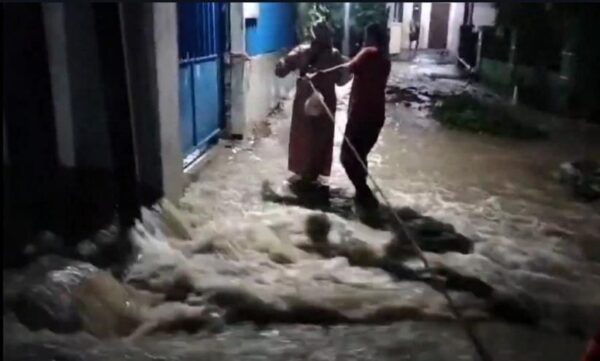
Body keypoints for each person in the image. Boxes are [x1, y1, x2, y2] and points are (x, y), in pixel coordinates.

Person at [310, 23, 391, 211]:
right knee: (359, 157)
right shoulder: (384, 58)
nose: (364, 40)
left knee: (346, 157)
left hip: (362, 115)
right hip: (376, 115)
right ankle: (362, 200)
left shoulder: (369, 52)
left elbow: (346, 70)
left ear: (372, 37)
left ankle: (365, 195)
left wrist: (320, 73)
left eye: (366, 36)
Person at [274, 21, 351, 192]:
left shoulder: (301, 51)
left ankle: (302, 174)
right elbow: (342, 80)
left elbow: (280, 71)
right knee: (322, 139)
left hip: (304, 100)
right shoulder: (335, 55)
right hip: (326, 103)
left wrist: (282, 62)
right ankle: (316, 175)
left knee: (303, 136)